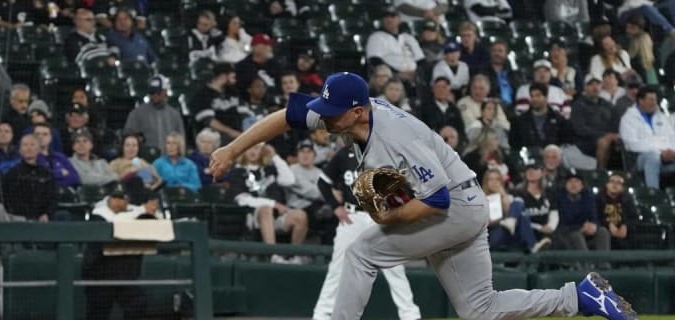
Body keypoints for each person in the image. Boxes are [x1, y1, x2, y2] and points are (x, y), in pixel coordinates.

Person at [207, 71, 637, 320]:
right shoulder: (349, 114)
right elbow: (287, 115)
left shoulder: (395, 135)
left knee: (361, 252)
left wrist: (388, 217)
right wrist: (232, 149)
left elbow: (436, 201)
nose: (324, 117)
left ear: (357, 110)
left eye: (332, 112)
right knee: (480, 310)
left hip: (457, 207)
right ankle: (577, 295)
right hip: (460, 205)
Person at [312, 146, 422, 320]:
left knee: (394, 268)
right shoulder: (344, 154)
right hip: (351, 217)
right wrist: (335, 207)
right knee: (337, 268)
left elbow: (405, 187)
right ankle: (321, 314)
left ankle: (410, 315)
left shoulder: (384, 151)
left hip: (380, 216)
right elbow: (323, 182)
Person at [82, 189, 150, 320]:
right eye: (115, 198)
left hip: (125, 275)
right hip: (100, 275)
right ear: (108, 199)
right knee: (98, 312)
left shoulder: (133, 212)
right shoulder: (99, 214)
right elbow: (113, 224)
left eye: (122, 198)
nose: (118, 202)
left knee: (137, 303)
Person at [227, 143, 308, 251]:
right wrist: (273, 204)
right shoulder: (237, 172)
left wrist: (275, 156)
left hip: (276, 216)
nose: (252, 151)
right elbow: (241, 199)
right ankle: (272, 255)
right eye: (249, 148)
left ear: (262, 151)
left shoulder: (269, 169)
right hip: (252, 217)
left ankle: (295, 256)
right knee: (266, 209)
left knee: (300, 215)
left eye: (256, 148)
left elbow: (290, 180)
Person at [482, 169, 551, 253]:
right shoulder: (481, 199)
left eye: (497, 179)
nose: (494, 182)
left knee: (519, 203)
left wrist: (503, 195)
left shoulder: (508, 197)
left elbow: (510, 212)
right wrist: (499, 221)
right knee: (518, 214)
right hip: (492, 233)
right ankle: (532, 245)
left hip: (510, 233)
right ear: (486, 182)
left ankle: (512, 223)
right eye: (491, 179)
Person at [619, 87, 675, 189]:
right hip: (638, 159)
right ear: (641, 101)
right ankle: (653, 194)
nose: (654, 103)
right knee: (652, 156)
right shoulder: (628, 118)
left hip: (666, 156)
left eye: (655, 100)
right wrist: (659, 152)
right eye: (651, 99)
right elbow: (632, 144)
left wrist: (671, 151)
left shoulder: (661, 117)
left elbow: (671, 137)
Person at [3, 134, 58, 221]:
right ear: (20, 150)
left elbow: (53, 198)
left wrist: (47, 214)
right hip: (19, 220)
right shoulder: (12, 174)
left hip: (43, 220)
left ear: (39, 149)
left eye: (32, 145)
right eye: (25, 145)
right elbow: (9, 201)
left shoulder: (47, 174)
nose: (29, 148)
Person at [571, 74, 621, 169]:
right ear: (585, 87)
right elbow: (580, 129)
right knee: (603, 142)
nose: (595, 87)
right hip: (586, 142)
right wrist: (605, 135)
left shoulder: (607, 104)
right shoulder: (578, 105)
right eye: (591, 84)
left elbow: (616, 122)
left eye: (597, 84)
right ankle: (600, 172)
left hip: (610, 137)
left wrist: (614, 135)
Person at [123, 76, 185, 151]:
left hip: (170, 159)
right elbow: (128, 137)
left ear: (164, 91)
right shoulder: (136, 113)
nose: (155, 95)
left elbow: (181, 140)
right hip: (145, 158)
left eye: (158, 92)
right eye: (152, 92)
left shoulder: (174, 114)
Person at [555, 171, 611, 251]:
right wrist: (580, 228)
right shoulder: (559, 199)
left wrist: (594, 226)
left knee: (603, 231)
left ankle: (604, 262)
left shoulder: (588, 197)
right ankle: (586, 263)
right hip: (567, 234)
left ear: (582, 185)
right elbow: (562, 224)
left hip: (585, 231)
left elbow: (594, 217)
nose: (573, 185)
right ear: (565, 185)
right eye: (570, 181)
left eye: (577, 181)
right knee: (576, 235)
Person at [366, 8, 424, 84]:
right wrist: (396, 73)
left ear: (399, 19)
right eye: (386, 16)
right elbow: (374, 60)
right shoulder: (376, 37)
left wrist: (417, 73)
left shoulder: (408, 37)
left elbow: (421, 60)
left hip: (415, 78)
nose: (389, 19)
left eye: (392, 16)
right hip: (390, 79)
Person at [191, 63, 245, 143]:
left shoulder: (233, 92)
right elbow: (209, 121)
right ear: (223, 76)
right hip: (215, 140)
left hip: (238, 137)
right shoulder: (203, 95)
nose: (235, 80)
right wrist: (233, 133)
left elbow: (245, 115)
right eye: (232, 77)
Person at [509, 83, 574, 150]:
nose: (534, 99)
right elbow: (514, 145)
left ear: (546, 97)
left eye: (538, 95)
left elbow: (566, 143)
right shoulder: (519, 122)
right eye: (532, 96)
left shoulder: (560, 121)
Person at [595, 173, 637, 250]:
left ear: (623, 187)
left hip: (623, 233)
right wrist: (608, 225)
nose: (615, 184)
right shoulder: (598, 198)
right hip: (604, 232)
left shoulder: (627, 199)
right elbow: (594, 217)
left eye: (618, 183)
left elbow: (634, 217)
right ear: (607, 184)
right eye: (612, 181)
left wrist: (626, 226)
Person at [33, 123, 80, 188]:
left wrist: (52, 177)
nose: (41, 137)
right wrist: (61, 173)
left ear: (51, 137)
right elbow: (40, 182)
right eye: (37, 134)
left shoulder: (60, 157)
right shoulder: (30, 158)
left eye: (45, 134)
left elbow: (75, 179)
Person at [480, 39, 522, 107]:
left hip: (514, 108)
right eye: (494, 51)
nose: (497, 54)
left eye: (500, 51)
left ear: (506, 54)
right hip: (492, 107)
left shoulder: (514, 73)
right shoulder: (482, 72)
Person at [624, 14, 657, 85]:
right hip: (647, 70)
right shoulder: (628, 40)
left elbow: (632, 56)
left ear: (640, 28)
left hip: (644, 71)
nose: (628, 30)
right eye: (627, 27)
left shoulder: (641, 39)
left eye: (632, 28)